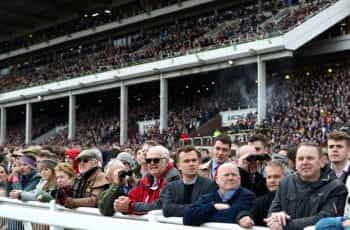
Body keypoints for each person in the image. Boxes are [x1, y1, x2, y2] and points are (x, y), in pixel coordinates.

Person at [266, 143, 348, 230]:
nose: (304, 162)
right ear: (296, 163)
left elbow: (324, 220)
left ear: (322, 162)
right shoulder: (285, 183)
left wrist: (284, 224)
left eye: (310, 158)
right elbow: (272, 213)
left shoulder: (337, 188)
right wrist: (276, 218)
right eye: (300, 159)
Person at [114, 145, 180, 215]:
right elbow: (132, 197)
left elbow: (160, 205)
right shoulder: (146, 179)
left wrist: (131, 206)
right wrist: (121, 203)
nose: (152, 163)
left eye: (156, 160)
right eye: (148, 160)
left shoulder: (173, 178)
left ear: (166, 162)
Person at [183, 163, 255, 226]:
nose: (230, 178)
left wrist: (203, 216)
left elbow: (230, 217)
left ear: (239, 179)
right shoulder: (208, 196)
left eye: (234, 175)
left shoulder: (247, 196)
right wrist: (213, 207)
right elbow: (188, 218)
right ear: (217, 180)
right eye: (226, 175)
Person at [160, 146, 216, 217]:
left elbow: (207, 209)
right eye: (186, 161)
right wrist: (196, 208)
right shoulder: (170, 187)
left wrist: (177, 208)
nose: (191, 164)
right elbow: (167, 210)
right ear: (178, 165)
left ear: (199, 163)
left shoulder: (210, 185)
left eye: (194, 160)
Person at [238, 160, 286, 228]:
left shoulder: (297, 197)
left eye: (276, 177)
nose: (272, 180)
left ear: (286, 177)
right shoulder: (261, 201)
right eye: (269, 177)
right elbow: (249, 213)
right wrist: (243, 217)